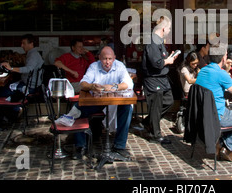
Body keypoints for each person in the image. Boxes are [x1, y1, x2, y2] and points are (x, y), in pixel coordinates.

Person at [70, 46, 134, 160]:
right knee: (78, 109)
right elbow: (82, 83)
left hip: (115, 101)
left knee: (127, 108)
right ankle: (80, 146)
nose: (107, 62)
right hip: (97, 101)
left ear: (114, 58)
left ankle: (119, 146)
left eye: (110, 59)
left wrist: (114, 86)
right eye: (104, 59)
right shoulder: (94, 66)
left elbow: (128, 84)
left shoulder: (119, 66)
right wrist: (92, 86)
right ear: (99, 58)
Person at [141, 16, 178, 144]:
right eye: (168, 28)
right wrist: (167, 61)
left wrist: (169, 57)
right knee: (156, 107)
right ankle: (155, 135)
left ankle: (147, 122)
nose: (169, 31)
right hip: (153, 79)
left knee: (169, 101)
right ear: (163, 28)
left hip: (162, 79)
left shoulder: (159, 41)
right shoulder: (152, 42)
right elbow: (156, 63)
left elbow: (161, 58)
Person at [0, 34, 44, 115]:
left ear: (31, 43)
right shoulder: (32, 54)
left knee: (2, 92)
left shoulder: (33, 55)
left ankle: (15, 110)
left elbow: (28, 69)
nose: (22, 46)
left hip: (30, 87)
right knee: (7, 89)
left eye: (24, 43)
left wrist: (11, 68)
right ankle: (15, 109)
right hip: (30, 84)